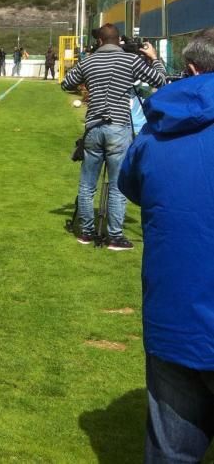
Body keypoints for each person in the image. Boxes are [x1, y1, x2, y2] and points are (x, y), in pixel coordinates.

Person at [117, 29, 214, 462]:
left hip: (174, 314)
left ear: (190, 70)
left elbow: (133, 187)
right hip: (178, 317)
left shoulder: (154, 137)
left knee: (172, 452)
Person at [60, 23, 167, 250]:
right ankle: (115, 236)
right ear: (118, 41)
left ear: (99, 41)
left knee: (87, 185)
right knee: (118, 185)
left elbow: (66, 83)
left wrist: (87, 70)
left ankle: (86, 232)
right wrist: (153, 57)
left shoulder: (88, 61)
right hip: (119, 127)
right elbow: (160, 80)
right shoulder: (130, 60)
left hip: (93, 127)